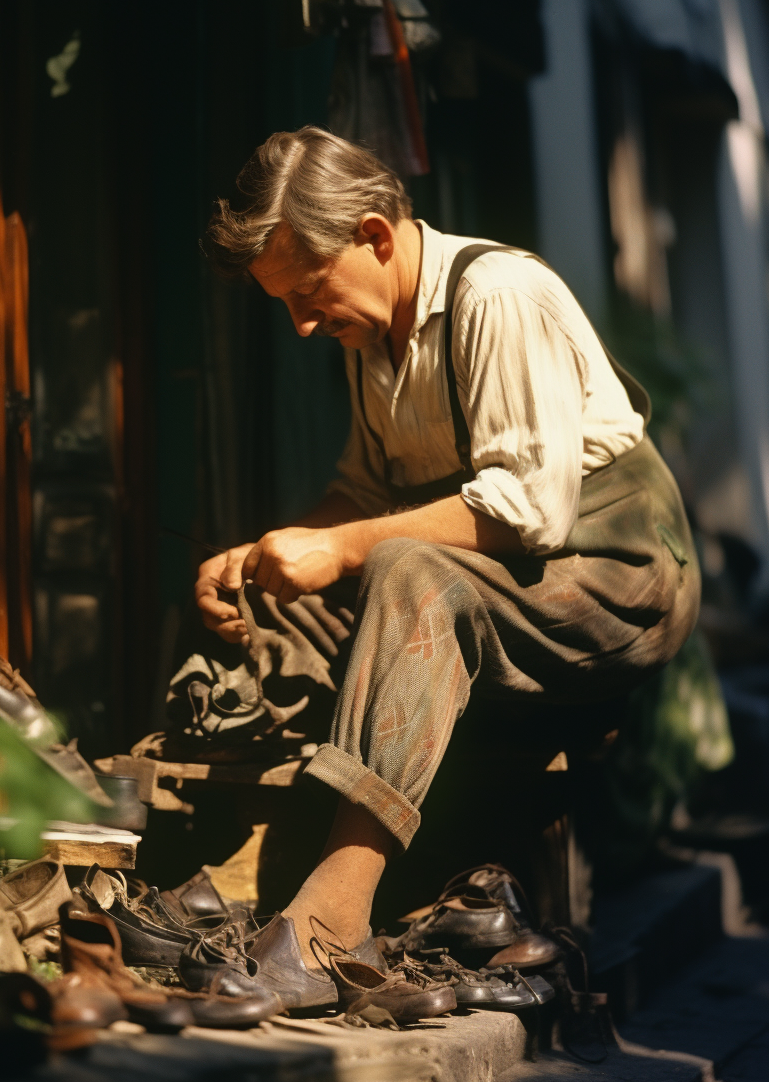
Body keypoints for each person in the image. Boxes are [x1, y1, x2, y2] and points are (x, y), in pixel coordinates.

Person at [192, 126, 699, 999]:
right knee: (291, 595)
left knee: (405, 570)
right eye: (286, 305)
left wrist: (346, 548)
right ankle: (242, 862)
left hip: (613, 576)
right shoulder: (372, 337)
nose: (304, 324)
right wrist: (265, 554)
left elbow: (529, 511)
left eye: (309, 293)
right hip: (503, 581)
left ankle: (332, 916)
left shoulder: (497, 293)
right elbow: (361, 494)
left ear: (376, 236)